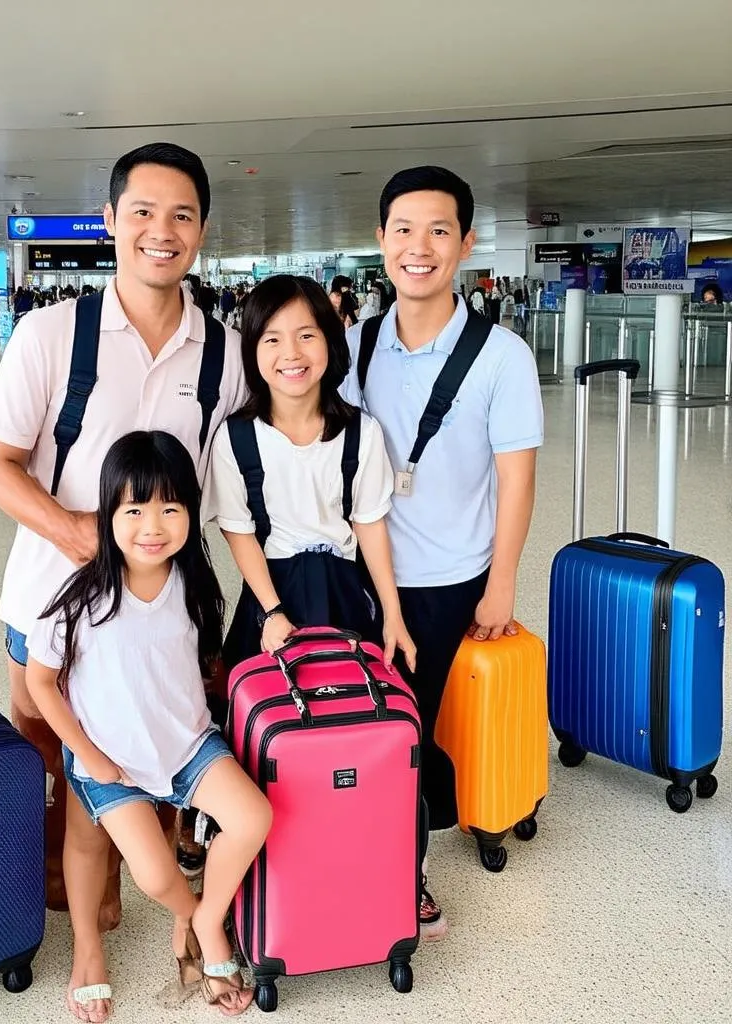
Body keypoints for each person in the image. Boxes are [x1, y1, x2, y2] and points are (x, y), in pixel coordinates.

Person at [0, 141, 246, 1024]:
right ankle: (88, 939)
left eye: (180, 216)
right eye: (142, 212)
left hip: (165, 616)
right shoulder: (53, 334)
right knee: (75, 779)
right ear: (110, 222)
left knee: (156, 763)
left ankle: (163, 904)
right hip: (54, 610)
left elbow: (238, 481)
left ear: (201, 230)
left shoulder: (225, 355)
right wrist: (82, 535)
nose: (160, 232)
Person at [341, 165, 543, 941]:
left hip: (449, 580)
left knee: (404, 734)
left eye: (437, 231)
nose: (417, 248)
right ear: (380, 239)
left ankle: (405, 877)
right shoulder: (356, 346)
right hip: (362, 573)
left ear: (465, 243)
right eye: (402, 230)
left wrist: (501, 586)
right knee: (362, 724)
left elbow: (515, 481)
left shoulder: (502, 356)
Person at [26, 431, 271, 1017]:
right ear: (108, 514)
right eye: (134, 509)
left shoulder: (193, 585)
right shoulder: (81, 599)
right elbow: (41, 683)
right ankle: (181, 913)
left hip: (186, 746)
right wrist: (91, 754)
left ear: (190, 510)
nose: (152, 525)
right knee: (155, 877)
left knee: (253, 816)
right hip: (109, 761)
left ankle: (209, 921)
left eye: (170, 507)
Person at [205, 274, 416, 674]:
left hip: (345, 588)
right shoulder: (235, 438)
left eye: (306, 335)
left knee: (353, 708)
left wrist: (392, 612)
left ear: (330, 340)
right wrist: (272, 612)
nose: (291, 354)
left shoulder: (361, 433)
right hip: (272, 590)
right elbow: (238, 530)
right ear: (252, 351)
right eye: (272, 339)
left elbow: (369, 524)